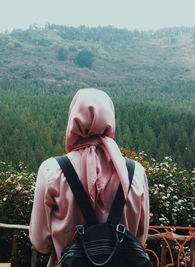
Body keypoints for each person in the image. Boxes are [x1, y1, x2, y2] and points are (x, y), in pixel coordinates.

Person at [29, 88, 150, 267]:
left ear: (73, 117)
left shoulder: (51, 169)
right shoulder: (136, 171)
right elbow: (140, 238)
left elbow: (40, 242)